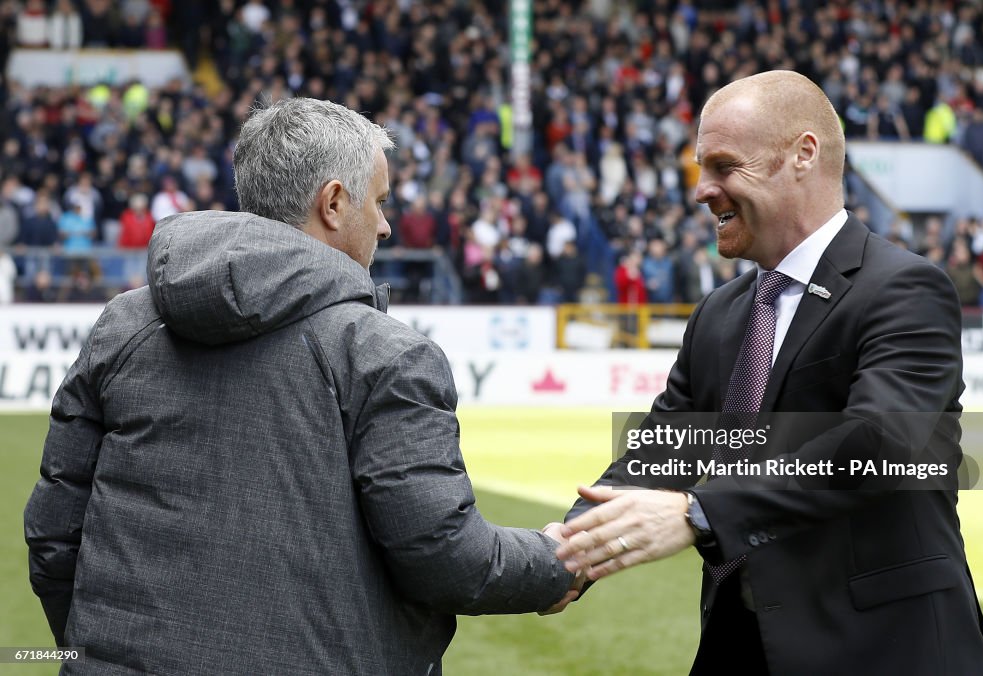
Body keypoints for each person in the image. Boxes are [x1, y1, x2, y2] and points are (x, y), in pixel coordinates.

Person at [24, 98, 580, 674]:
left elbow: (52, 537)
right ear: (334, 203)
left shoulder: (123, 325)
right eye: (380, 201)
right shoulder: (387, 354)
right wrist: (557, 562)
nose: (387, 224)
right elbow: (446, 558)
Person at [555, 71, 983, 675]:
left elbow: (876, 444)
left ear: (803, 155)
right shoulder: (718, 313)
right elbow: (661, 456)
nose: (701, 190)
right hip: (744, 646)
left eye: (722, 166)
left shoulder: (903, 287)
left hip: (885, 650)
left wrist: (699, 512)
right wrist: (561, 550)